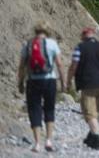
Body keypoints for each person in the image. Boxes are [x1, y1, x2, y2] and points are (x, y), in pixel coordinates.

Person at [17, 22, 66, 152]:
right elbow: (60, 64)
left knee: (34, 110)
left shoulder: (28, 44)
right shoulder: (52, 44)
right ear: (48, 31)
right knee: (49, 109)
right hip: (49, 80)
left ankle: (37, 143)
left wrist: (20, 82)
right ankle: (49, 141)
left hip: (32, 81)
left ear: (35, 31)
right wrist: (64, 82)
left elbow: (22, 66)